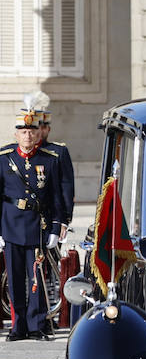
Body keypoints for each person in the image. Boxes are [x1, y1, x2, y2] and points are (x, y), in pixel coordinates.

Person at [1, 107, 61, 341]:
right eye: (23, 131)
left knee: (37, 277)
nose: (27, 135)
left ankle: (36, 325)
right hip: (11, 225)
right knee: (15, 280)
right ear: (16, 135)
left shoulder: (48, 160)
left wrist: (55, 227)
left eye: (31, 131)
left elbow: (56, 197)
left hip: (37, 227)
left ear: (38, 134)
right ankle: (18, 326)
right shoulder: (4, 159)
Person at [30, 94, 73, 247]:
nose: (38, 132)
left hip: (50, 216)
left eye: (42, 127)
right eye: (35, 127)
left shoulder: (57, 152)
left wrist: (64, 220)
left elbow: (65, 187)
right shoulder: (14, 154)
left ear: (48, 129)